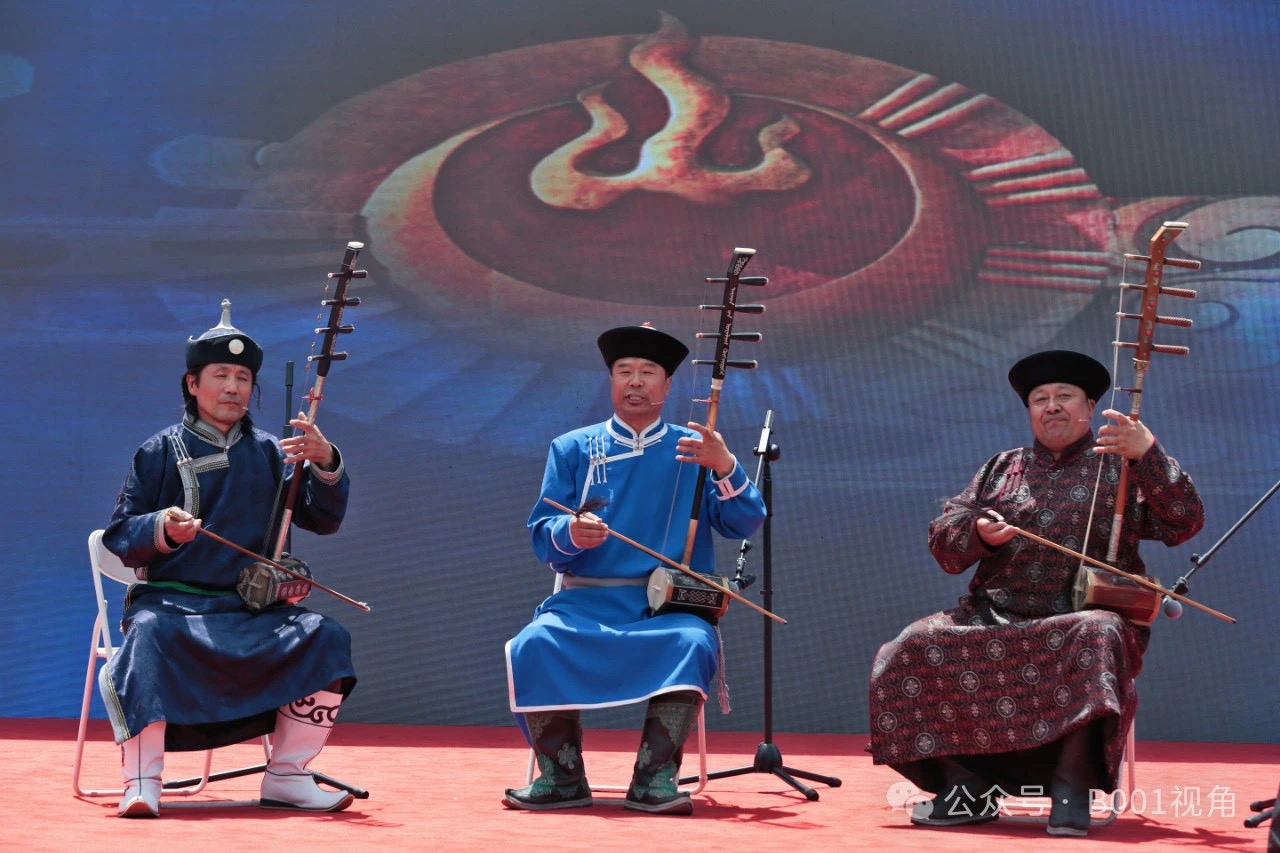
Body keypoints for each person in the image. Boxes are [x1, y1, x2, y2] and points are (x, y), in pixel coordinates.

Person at [868, 350, 1204, 837]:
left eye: (1064, 395)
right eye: (1040, 399)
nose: (1052, 406)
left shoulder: (1123, 468)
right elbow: (945, 541)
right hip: (996, 616)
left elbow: (1184, 523)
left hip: (1080, 621)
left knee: (1097, 633)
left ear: (1090, 407)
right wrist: (978, 532)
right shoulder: (1002, 468)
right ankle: (968, 788)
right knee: (908, 646)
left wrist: (1148, 453)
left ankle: (1072, 789)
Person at [99, 300, 358, 818]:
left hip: (251, 611)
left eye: (243, 378)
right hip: (172, 606)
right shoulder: (158, 451)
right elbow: (121, 536)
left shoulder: (273, 453)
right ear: (192, 384)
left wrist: (325, 462)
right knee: (147, 635)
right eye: (221, 375)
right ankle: (143, 781)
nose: (233, 387)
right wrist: (163, 528)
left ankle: (288, 774)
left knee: (325, 635)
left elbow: (322, 519)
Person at [503, 324, 767, 815]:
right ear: (611, 381)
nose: (636, 381)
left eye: (648, 372)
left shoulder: (695, 448)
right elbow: (543, 534)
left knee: (692, 641)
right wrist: (570, 532)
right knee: (533, 643)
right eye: (625, 371)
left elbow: (744, 522)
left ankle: (654, 778)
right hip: (585, 599)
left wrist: (726, 465)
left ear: (668, 385)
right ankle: (561, 777)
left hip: (668, 606)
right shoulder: (572, 448)